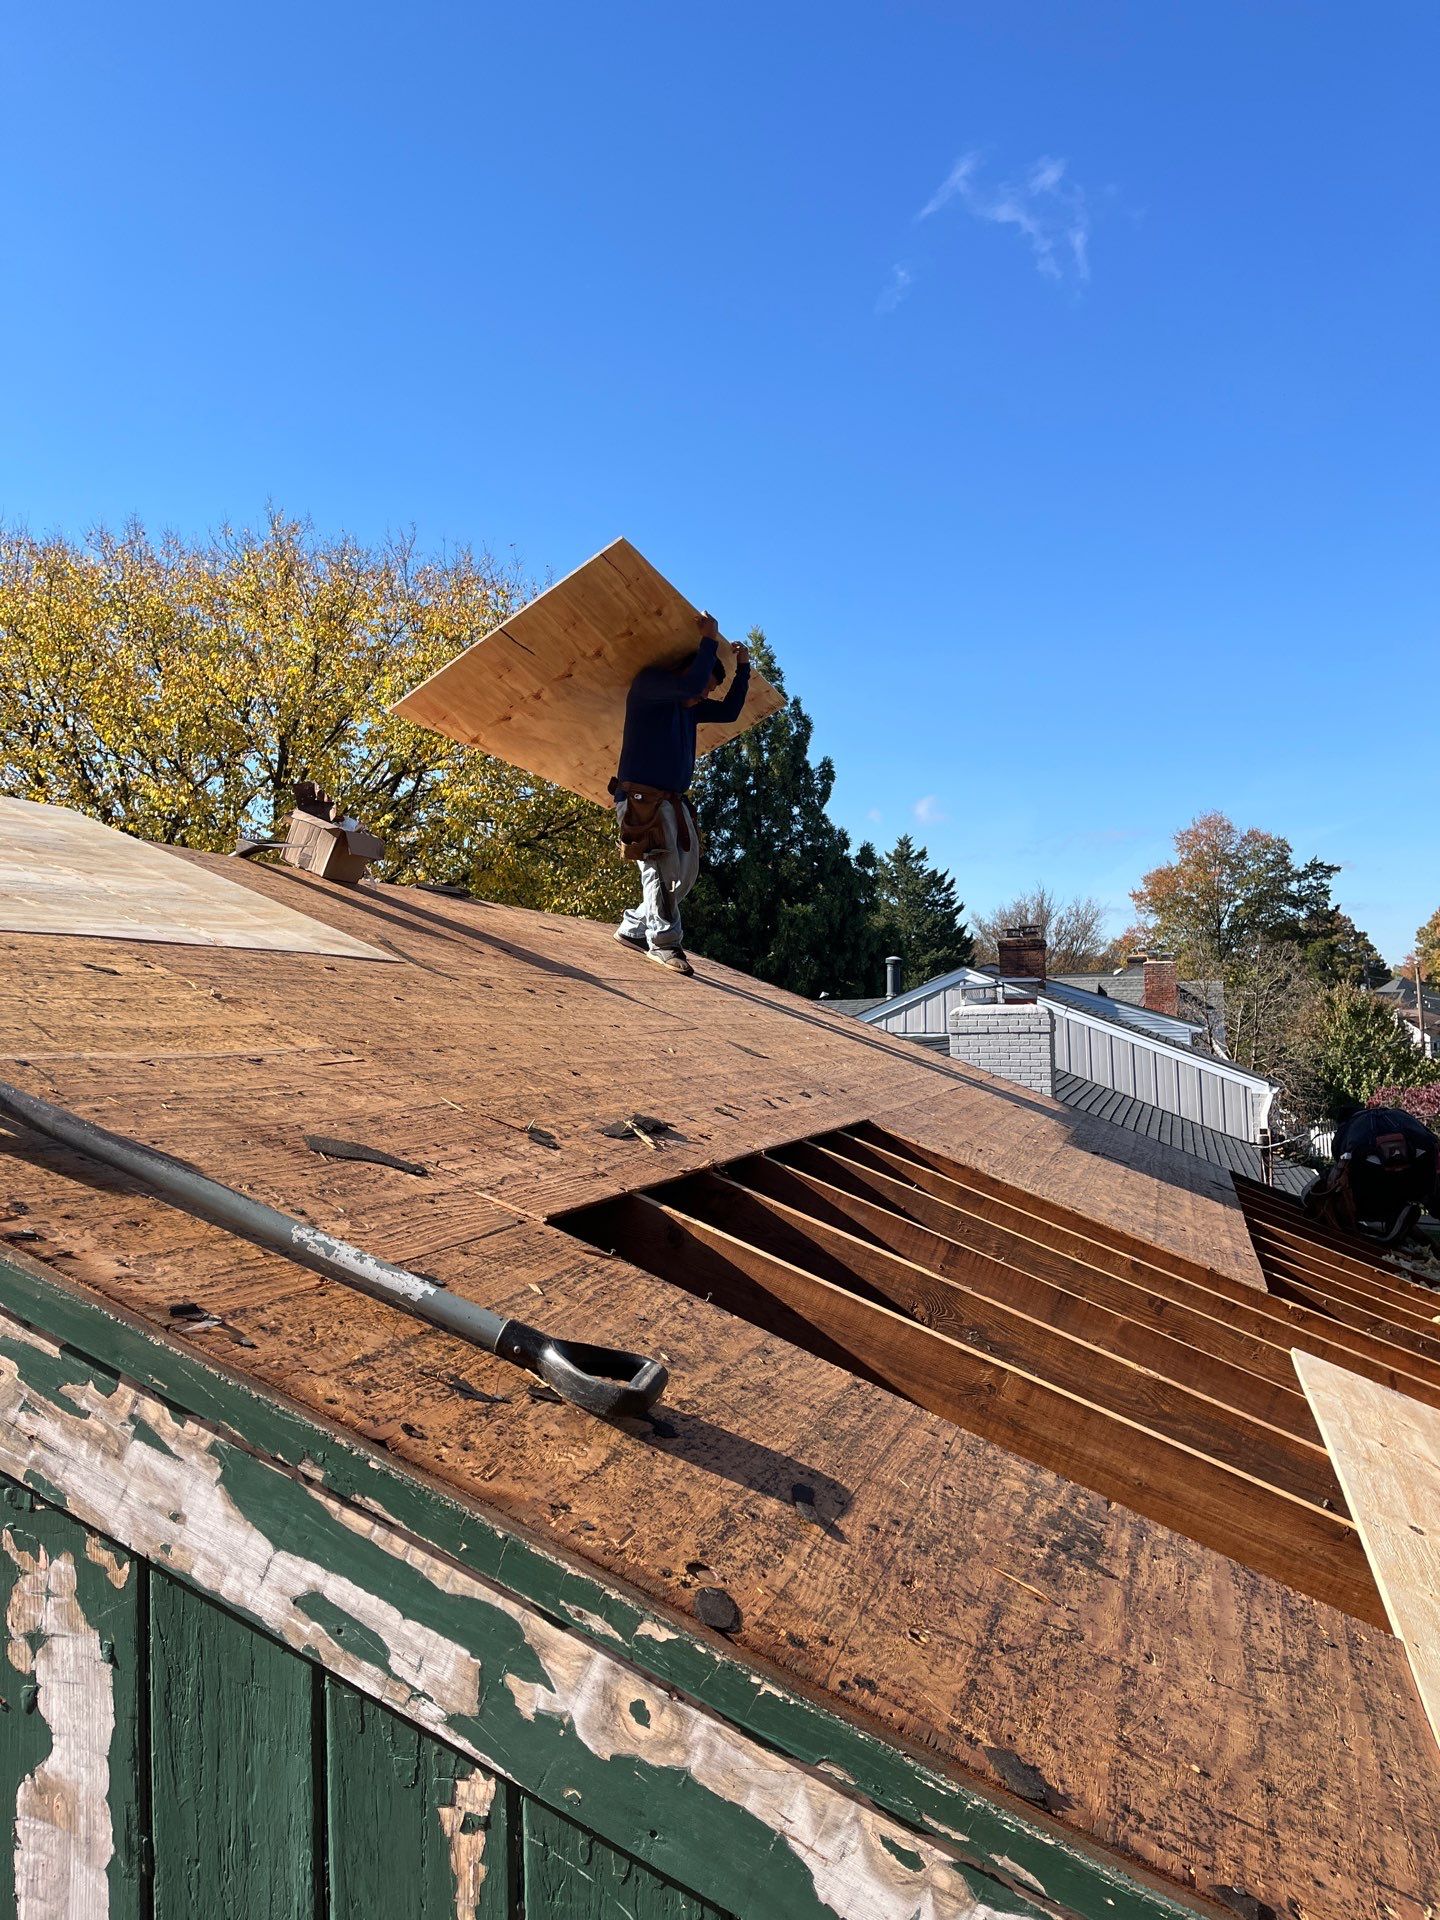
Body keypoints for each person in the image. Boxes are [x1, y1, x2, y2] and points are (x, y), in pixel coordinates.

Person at [610, 612, 750, 975]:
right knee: (660, 866)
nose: (704, 695)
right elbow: (690, 686)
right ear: (687, 672)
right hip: (641, 800)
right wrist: (709, 639)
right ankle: (664, 943)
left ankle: (634, 929)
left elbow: (730, 711)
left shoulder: (689, 707)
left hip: (670, 800)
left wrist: (743, 669)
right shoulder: (651, 688)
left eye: (709, 691)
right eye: (704, 686)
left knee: (685, 872)